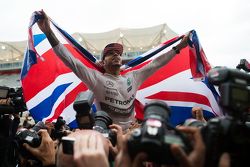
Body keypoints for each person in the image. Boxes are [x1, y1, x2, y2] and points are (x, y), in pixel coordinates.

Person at [37, 10, 190, 131]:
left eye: (118, 53)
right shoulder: (96, 78)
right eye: (111, 53)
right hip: (108, 135)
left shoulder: (133, 77)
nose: (116, 54)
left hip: (132, 133)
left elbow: (157, 63)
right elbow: (69, 60)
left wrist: (178, 48)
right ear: (103, 62)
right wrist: (48, 33)